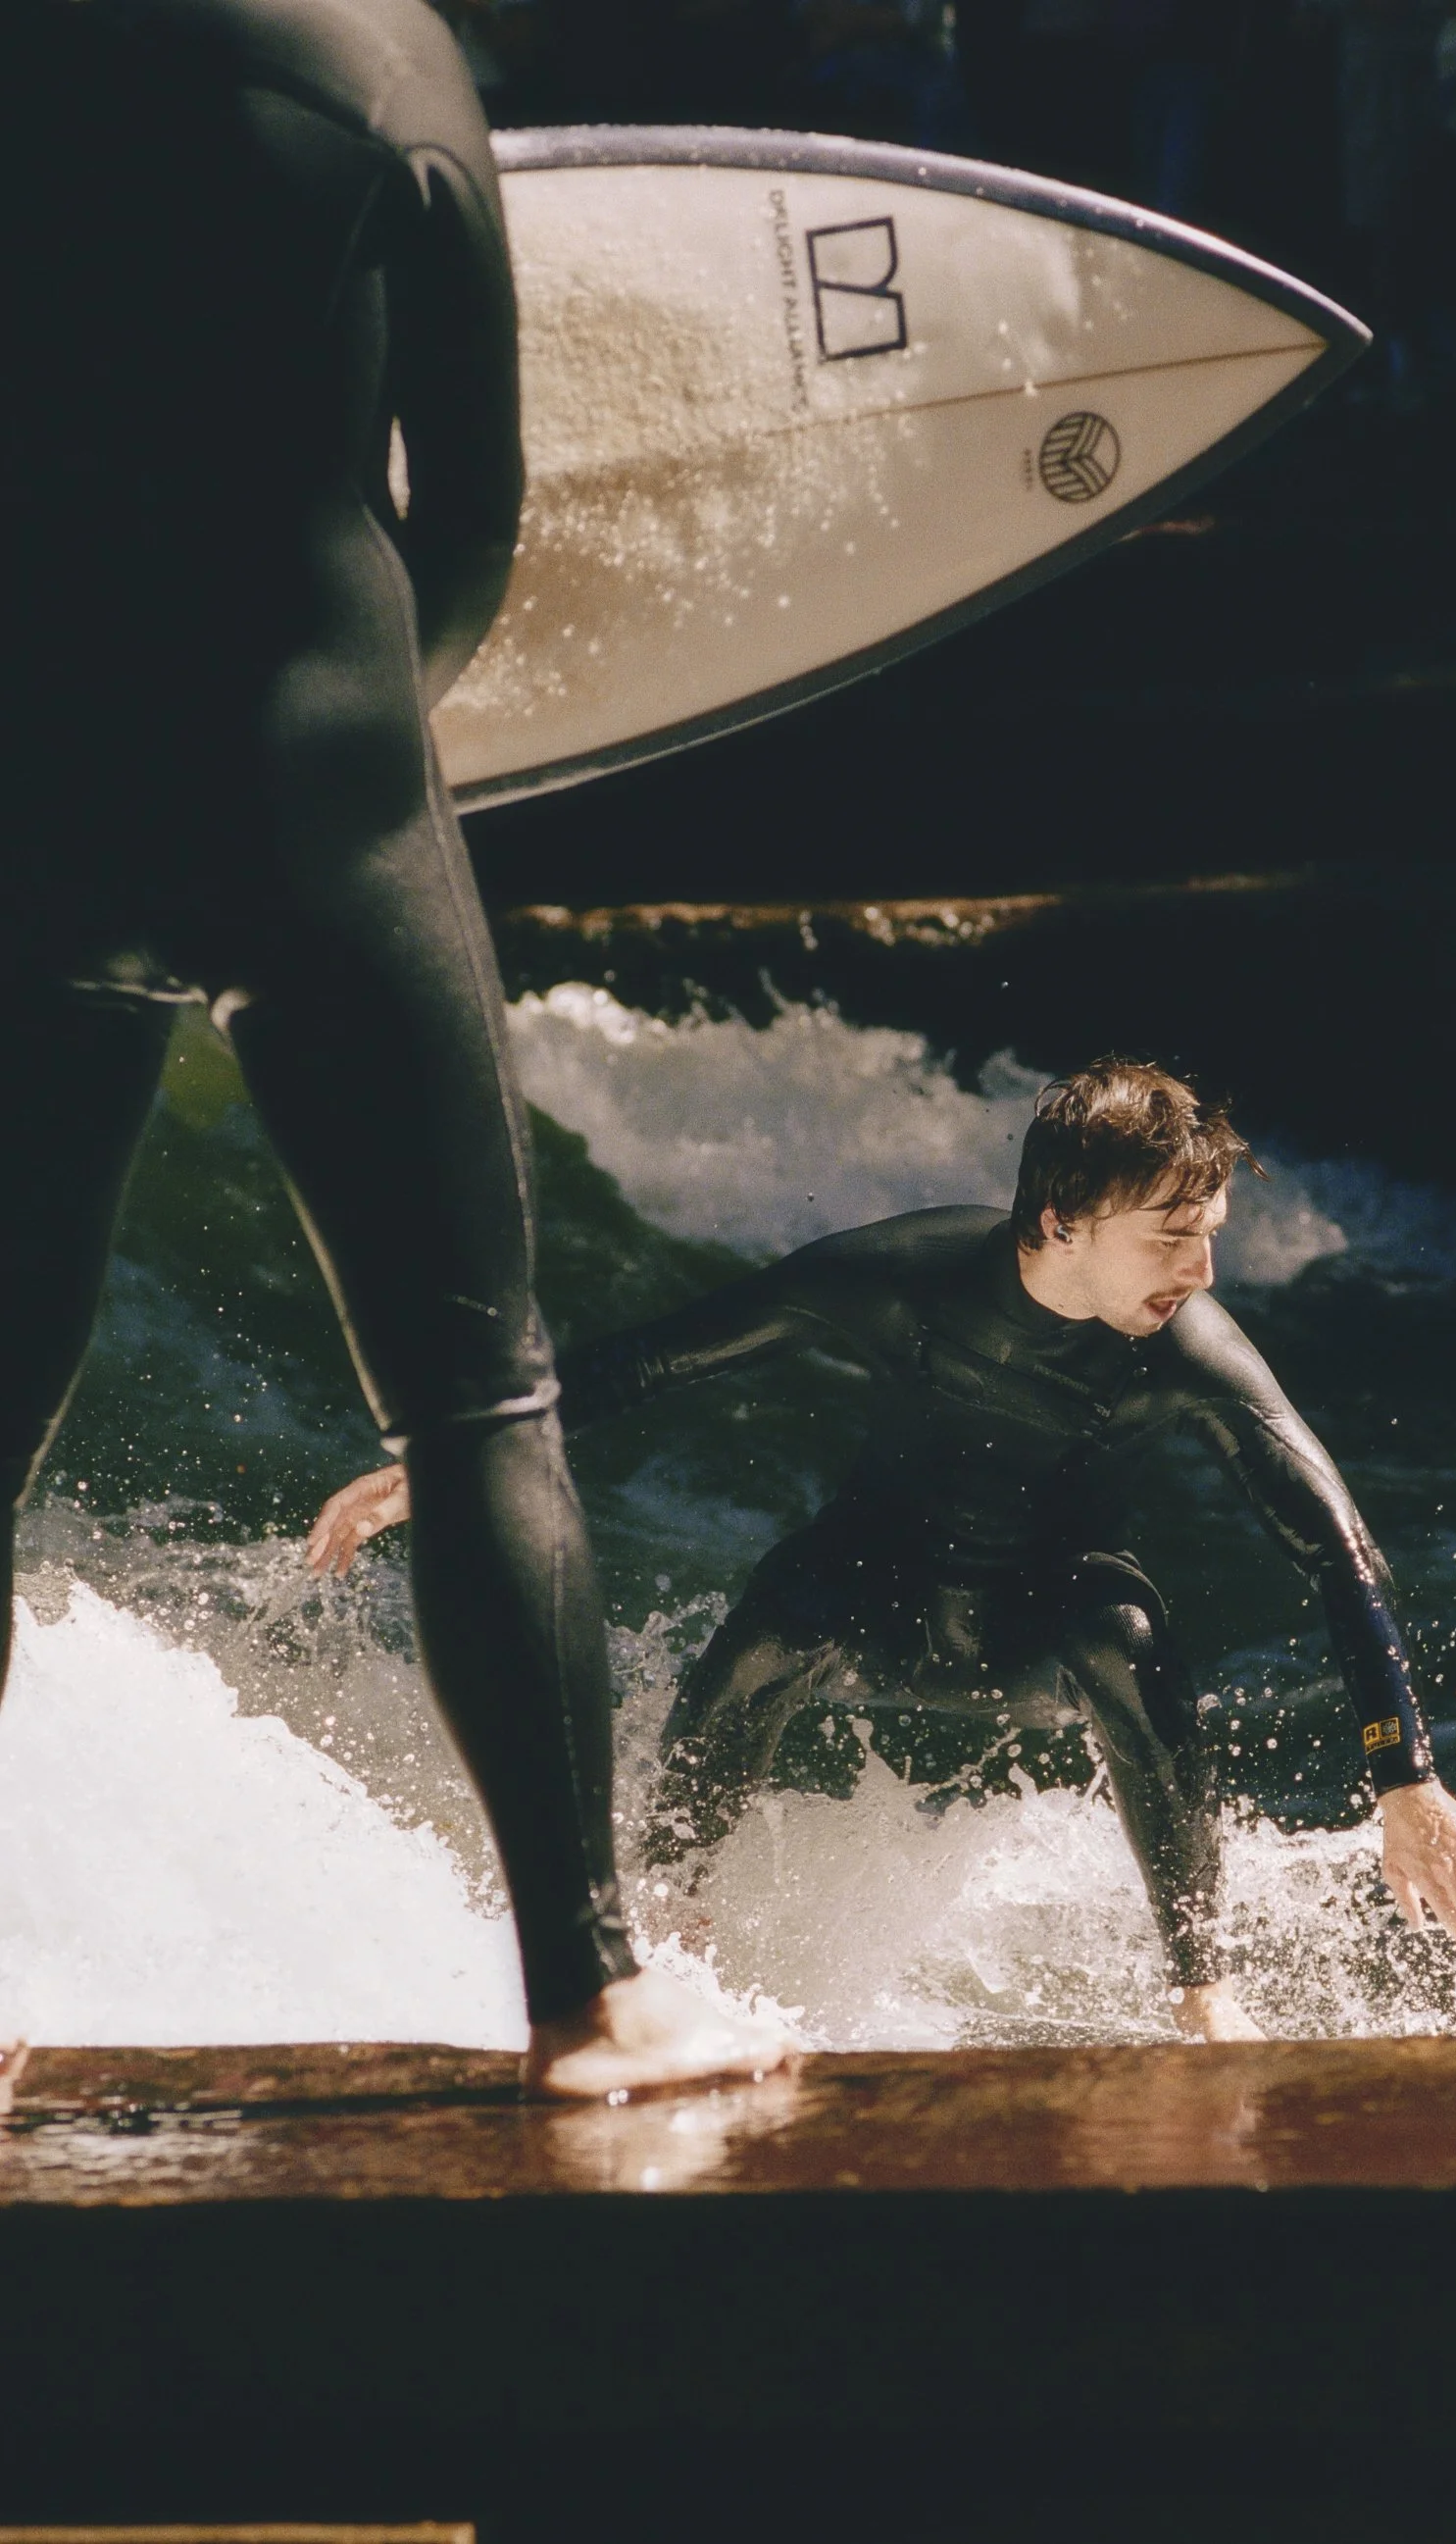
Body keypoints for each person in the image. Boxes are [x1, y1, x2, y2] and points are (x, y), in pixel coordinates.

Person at [3, 0, 744, 2101]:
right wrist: (359, 759)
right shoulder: (372, 59)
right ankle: (591, 1997)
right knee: (475, 1394)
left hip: (32, 789)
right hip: (310, 773)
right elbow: (475, 498)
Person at [311, 1064, 1456, 2038]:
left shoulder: (1186, 1347)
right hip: (876, 1600)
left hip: (1039, 1633)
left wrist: (1404, 1775)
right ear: (1059, 1221)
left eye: (1209, 1231)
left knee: (1127, 1631)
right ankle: (663, 1921)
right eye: (1171, 1235)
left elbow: (1339, 1546)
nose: (1203, 1270)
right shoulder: (893, 1280)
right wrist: (450, 1463)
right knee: (783, 1602)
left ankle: (1199, 1990)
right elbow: (651, 1359)